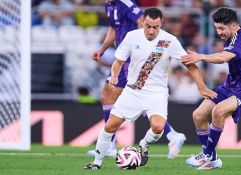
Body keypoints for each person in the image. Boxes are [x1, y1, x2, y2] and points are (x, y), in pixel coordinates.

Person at [84, 7, 217, 170]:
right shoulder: (132, 36)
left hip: (157, 93)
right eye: (148, 26)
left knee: (158, 127)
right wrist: (114, 76)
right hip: (132, 90)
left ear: (161, 24)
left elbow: (190, 65)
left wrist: (202, 88)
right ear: (142, 22)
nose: (152, 31)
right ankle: (96, 163)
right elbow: (118, 61)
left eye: (156, 27)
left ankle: (144, 144)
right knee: (110, 126)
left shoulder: (169, 41)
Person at [88, 0, 187, 159]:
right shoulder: (109, 4)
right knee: (110, 97)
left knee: (116, 96)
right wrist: (102, 49)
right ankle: (172, 135)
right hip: (123, 56)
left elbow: (142, 20)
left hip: (131, 59)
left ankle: (111, 146)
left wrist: (145, 50)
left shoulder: (125, 3)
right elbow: (114, 28)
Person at [181, 7, 241, 170]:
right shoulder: (235, 33)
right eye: (217, 28)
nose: (219, 32)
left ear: (233, 26)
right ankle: (212, 158)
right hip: (230, 86)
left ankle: (208, 156)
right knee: (198, 115)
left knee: (218, 111)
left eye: (221, 28)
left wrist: (200, 56)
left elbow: (224, 57)